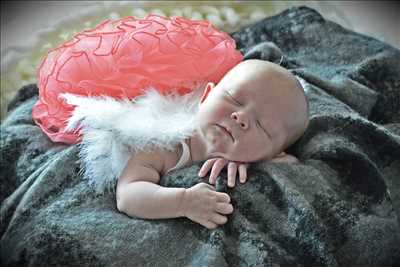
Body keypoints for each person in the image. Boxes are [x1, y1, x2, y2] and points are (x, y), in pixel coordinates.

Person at [116, 59, 309, 230]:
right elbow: (127, 194)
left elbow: (292, 164)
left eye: (261, 125)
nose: (240, 117)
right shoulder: (164, 145)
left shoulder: (262, 158)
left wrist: (251, 161)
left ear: (274, 154)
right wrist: (183, 202)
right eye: (234, 99)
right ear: (207, 95)